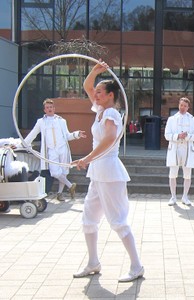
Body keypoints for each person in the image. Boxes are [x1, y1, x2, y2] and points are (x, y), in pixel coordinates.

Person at [72, 60, 144, 282]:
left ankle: (136, 266)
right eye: (97, 92)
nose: (96, 95)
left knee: (118, 221)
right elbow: (87, 87)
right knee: (88, 219)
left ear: (111, 95)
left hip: (109, 171)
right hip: (97, 173)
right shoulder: (101, 110)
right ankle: (93, 262)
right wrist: (95, 71)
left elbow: (111, 139)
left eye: (100, 93)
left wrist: (87, 158)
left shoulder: (112, 113)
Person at [24, 99, 86, 200]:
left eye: (51, 107)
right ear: (44, 110)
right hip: (51, 151)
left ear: (54, 108)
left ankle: (60, 193)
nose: (50, 109)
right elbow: (32, 134)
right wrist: (23, 144)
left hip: (62, 149)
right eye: (47, 107)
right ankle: (70, 186)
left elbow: (67, 136)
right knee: (55, 173)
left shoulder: (61, 121)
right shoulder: (41, 122)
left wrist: (77, 134)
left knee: (64, 171)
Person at [164, 97, 194, 206]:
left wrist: (187, 136)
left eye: (185, 106)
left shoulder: (193, 120)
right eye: (181, 105)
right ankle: (173, 197)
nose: (182, 107)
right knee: (172, 173)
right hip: (174, 148)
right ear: (178, 105)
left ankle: (185, 196)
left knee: (187, 174)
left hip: (187, 149)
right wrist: (178, 136)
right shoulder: (171, 119)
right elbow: (167, 135)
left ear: (188, 107)